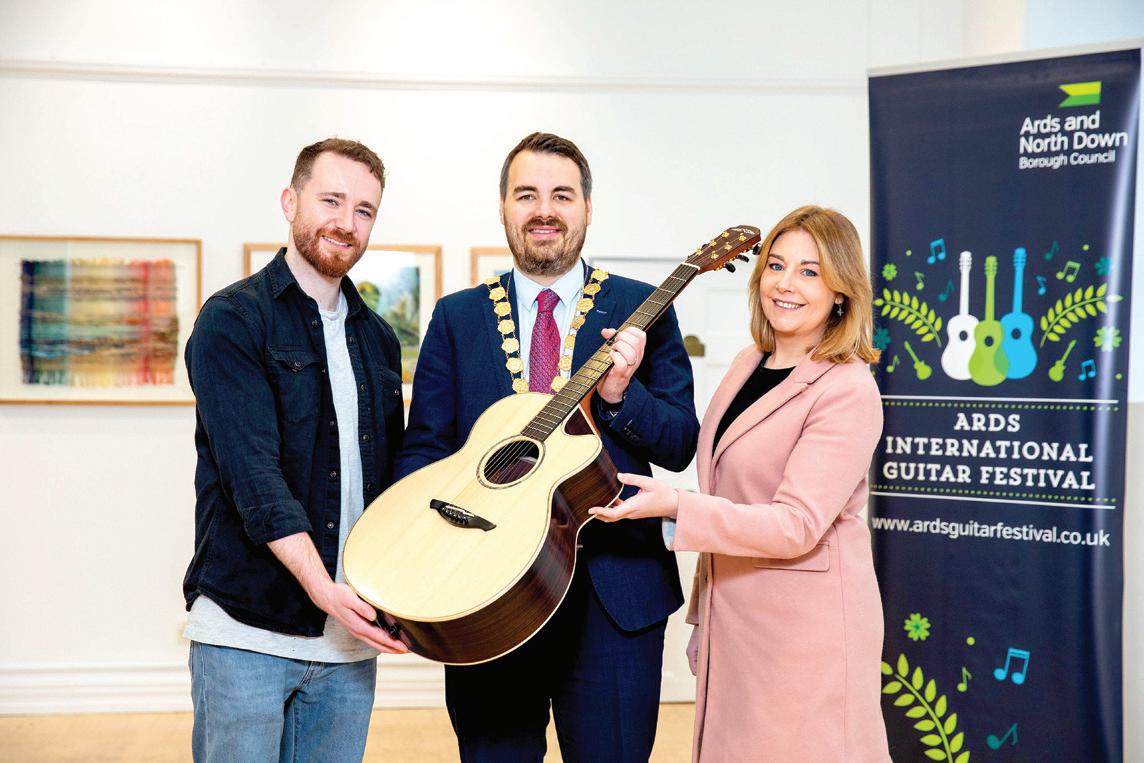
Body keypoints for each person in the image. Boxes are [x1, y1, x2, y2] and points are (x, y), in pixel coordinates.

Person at [396, 132, 700, 761]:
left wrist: (621, 395)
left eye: (562, 195)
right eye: (526, 194)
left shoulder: (643, 307)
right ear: (503, 208)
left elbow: (679, 442)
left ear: (587, 208)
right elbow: (423, 450)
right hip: (485, 596)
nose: (544, 210)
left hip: (615, 598)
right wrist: (420, 560)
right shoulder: (456, 318)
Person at [591, 205, 891, 761]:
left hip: (806, 627)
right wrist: (703, 616)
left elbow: (796, 524)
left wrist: (676, 506)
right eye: (776, 265)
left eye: (810, 271)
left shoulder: (848, 389)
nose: (785, 283)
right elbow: (728, 493)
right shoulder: (747, 363)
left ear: (841, 291)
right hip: (734, 611)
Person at [182, 138, 409, 763]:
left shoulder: (379, 339)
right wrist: (323, 588)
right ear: (290, 202)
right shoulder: (234, 319)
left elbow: (390, 484)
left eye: (364, 209)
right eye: (331, 200)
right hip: (246, 632)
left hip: (348, 641)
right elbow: (254, 479)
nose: (346, 222)